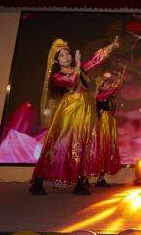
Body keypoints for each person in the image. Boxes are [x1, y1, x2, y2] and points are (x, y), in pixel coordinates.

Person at [29, 36, 120, 195]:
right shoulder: (57, 76)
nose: (66, 57)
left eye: (67, 54)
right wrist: (78, 65)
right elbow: (71, 81)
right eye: (62, 55)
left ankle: (80, 182)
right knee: (60, 145)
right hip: (69, 112)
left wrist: (110, 47)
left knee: (84, 144)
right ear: (56, 60)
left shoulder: (80, 69)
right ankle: (39, 180)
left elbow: (94, 60)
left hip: (86, 112)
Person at [94, 66, 126, 187]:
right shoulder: (101, 96)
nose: (109, 84)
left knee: (108, 149)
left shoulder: (110, 96)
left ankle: (101, 178)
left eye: (109, 83)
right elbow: (115, 88)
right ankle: (86, 177)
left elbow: (118, 87)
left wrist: (121, 75)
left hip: (110, 122)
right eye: (106, 83)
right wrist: (119, 77)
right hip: (104, 123)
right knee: (102, 148)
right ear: (101, 87)